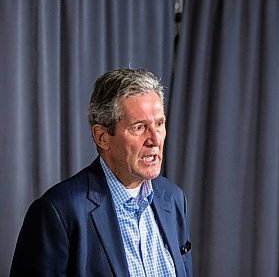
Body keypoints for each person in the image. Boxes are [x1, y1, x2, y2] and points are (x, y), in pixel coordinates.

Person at [10, 68, 192, 276]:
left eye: (159, 124)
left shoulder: (173, 198)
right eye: (139, 127)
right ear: (102, 137)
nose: (155, 139)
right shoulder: (58, 212)